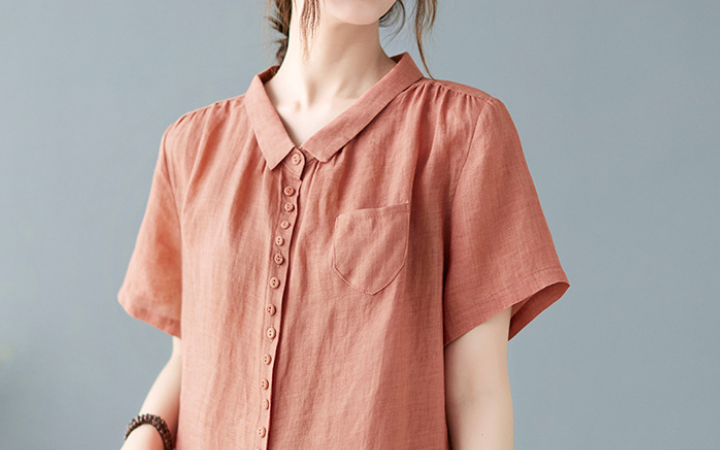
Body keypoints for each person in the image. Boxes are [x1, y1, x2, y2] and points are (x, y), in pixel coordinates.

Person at [117, 0, 570, 449]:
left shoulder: (462, 132)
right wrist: (145, 432)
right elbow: (190, 359)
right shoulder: (193, 146)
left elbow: (477, 394)